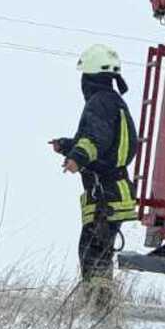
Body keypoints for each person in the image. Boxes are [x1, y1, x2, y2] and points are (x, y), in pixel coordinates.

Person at [48, 44, 139, 287]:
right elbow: (105, 142)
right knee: (99, 250)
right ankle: (99, 301)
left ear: (90, 77)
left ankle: (97, 305)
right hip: (113, 191)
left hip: (105, 195)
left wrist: (77, 157)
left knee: (93, 253)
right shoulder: (113, 101)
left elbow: (95, 139)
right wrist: (68, 146)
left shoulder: (99, 102)